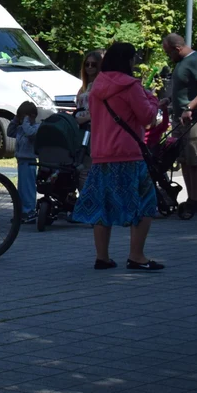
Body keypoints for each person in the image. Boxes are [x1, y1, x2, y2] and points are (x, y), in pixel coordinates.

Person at [72, 42, 163, 270]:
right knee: (145, 202)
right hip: (128, 154)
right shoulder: (131, 86)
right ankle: (137, 256)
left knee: (103, 205)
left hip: (101, 153)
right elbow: (147, 117)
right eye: (133, 58)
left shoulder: (96, 86)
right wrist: (153, 100)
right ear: (128, 60)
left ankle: (102, 257)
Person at [160, 33, 197, 215]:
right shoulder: (182, 64)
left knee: (194, 159)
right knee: (183, 159)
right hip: (182, 119)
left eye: (169, 53)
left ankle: (195, 201)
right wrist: (168, 100)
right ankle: (191, 199)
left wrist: (190, 107)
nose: (169, 57)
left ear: (177, 49)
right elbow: (183, 89)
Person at [8, 101, 40, 223]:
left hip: (30, 161)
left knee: (28, 188)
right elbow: (10, 132)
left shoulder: (36, 128)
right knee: (21, 189)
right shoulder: (21, 129)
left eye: (24, 117)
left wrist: (26, 120)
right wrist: (16, 119)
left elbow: (30, 133)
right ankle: (22, 211)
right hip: (21, 162)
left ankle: (29, 211)